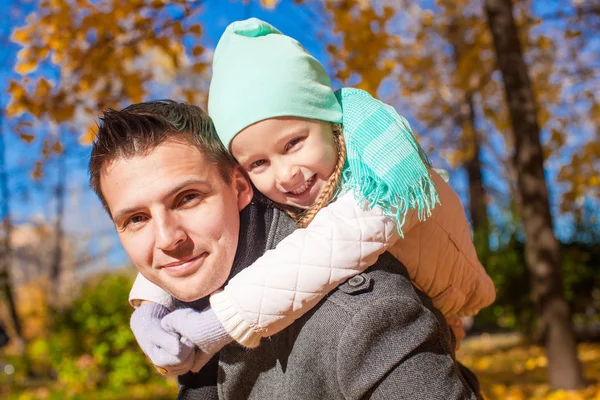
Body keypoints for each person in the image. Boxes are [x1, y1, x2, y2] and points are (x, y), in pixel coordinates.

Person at [129, 17, 496, 372]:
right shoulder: (286, 183)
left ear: (326, 118)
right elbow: (213, 217)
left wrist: (218, 322)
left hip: (451, 298)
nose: (286, 174)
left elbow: (326, 250)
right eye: (258, 163)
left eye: (294, 143)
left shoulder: (382, 164)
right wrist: (152, 302)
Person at [90, 99, 482, 399]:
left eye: (188, 198)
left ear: (241, 187)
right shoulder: (187, 312)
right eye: (136, 219)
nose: (167, 239)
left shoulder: (361, 316)